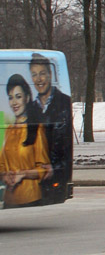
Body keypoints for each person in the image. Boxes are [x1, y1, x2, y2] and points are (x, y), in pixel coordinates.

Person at [1, 74, 51, 208]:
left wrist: (22, 174)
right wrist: (4, 176)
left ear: (27, 98)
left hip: (31, 198)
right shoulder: (8, 130)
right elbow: (2, 164)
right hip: (9, 200)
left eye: (18, 97)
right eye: (11, 98)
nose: (14, 103)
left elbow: (43, 170)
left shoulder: (35, 129)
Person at [30, 53, 73, 203]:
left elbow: (65, 144)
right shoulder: (31, 108)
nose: (39, 79)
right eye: (34, 75)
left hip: (53, 173)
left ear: (50, 75)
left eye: (42, 73)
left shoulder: (63, 103)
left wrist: (56, 168)